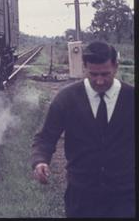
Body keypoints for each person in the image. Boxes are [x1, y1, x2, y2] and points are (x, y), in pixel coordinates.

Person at [31, 41, 135, 218]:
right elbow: (46, 138)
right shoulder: (67, 98)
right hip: (81, 197)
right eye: (93, 74)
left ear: (116, 67)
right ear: (84, 67)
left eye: (105, 74)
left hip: (126, 197)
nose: (99, 80)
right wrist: (40, 160)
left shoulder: (131, 98)